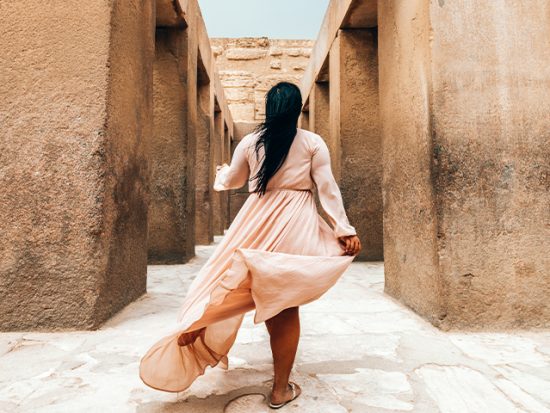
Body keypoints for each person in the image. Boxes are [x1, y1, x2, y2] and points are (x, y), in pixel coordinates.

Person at [139, 81, 361, 409]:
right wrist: (343, 229)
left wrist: (220, 174)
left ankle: (198, 324)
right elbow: (327, 188)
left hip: (256, 219)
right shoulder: (312, 142)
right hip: (296, 222)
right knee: (283, 304)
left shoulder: (251, 142)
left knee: (226, 281)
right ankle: (280, 389)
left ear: (268, 109)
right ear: (297, 109)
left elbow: (232, 181)